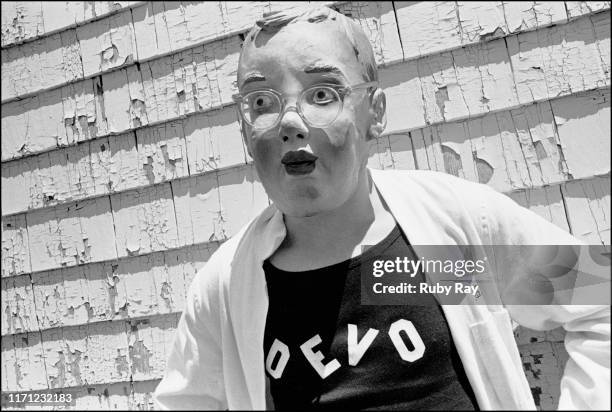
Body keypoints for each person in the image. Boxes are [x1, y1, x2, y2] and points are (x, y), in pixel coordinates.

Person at [153, 5, 610, 410]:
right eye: (260, 102)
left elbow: (600, 296)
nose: (290, 123)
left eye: (322, 94)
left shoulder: (447, 230)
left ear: (375, 112)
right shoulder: (229, 283)